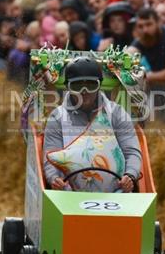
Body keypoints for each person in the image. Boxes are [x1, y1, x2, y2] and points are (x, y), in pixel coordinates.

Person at [43, 56, 142, 193]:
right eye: (77, 86)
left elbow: (131, 151)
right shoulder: (57, 117)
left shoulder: (117, 113)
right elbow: (50, 155)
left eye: (91, 85)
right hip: (69, 196)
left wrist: (130, 175)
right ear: (68, 87)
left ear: (99, 85)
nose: (84, 91)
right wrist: (55, 179)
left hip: (117, 195)